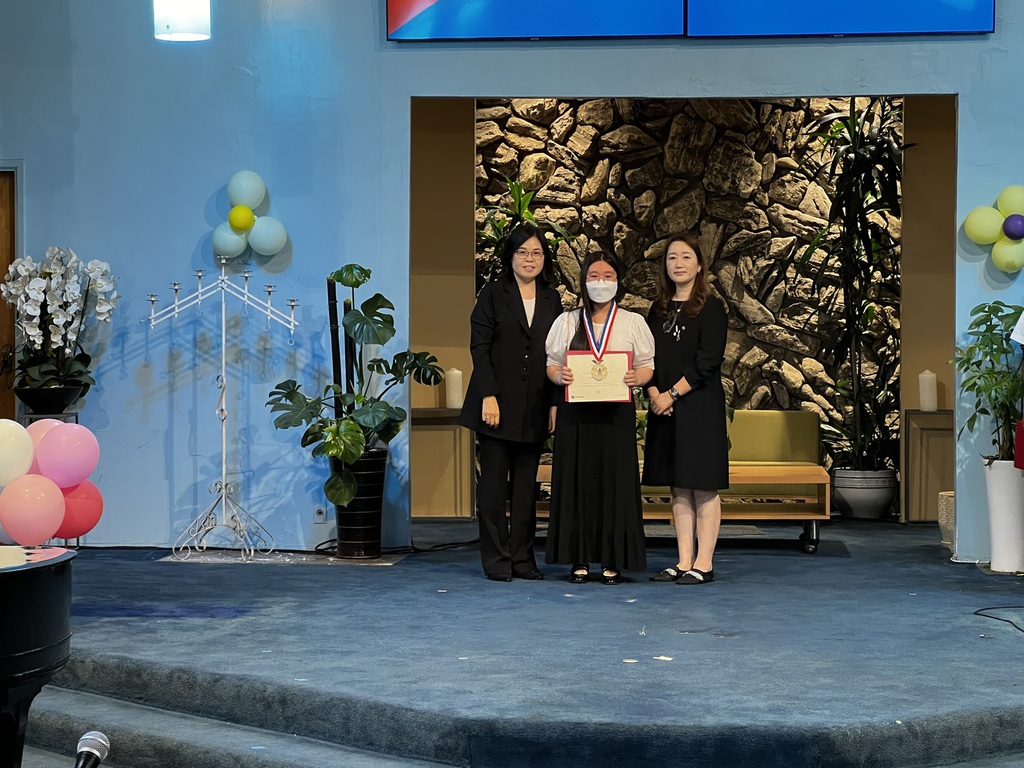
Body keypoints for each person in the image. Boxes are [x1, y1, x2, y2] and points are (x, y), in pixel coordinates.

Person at [544, 252, 655, 584]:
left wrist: (638, 377)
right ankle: (578, 559)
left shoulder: (632, 322)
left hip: (615, 415)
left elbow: (647, 365)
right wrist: (558, 376)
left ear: (618, 281)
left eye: (608, 276)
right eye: (594, 276)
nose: (601, 282)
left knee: (614, 485)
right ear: (584, 280)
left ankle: (612, 559)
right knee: (576, 483)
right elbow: (551, 363)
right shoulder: (567, 321)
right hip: (575, 416)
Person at [459, 223, 562, 582]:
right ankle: (497, 559)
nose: (529, 259)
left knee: (525, 490)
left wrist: (554, 403)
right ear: (511, 256)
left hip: (535, 406)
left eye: (536, 252)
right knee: (492, 489)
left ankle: (522, 558)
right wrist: (488, 395)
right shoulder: (492, 293)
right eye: (522, 252)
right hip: (496, 405)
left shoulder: (552, 298)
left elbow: (557, 354)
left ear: (544, 258)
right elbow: (479, 346)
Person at [642, 233, 728, 586]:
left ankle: (704, 564)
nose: (678, 263)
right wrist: (653, 393)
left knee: (702, 486)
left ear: (699, 265)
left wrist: (671, 394)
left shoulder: (712, 308)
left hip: (699, 408)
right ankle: (683, 561)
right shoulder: (658, 309)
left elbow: (708, 361)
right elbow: (646, 357)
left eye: (686, 257)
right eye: (672, 258)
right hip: (664, 408)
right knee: (678, 486)